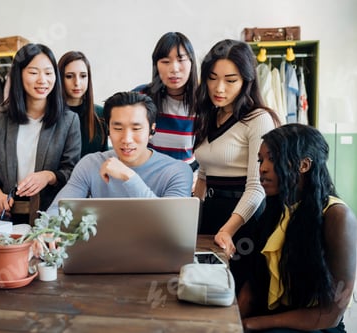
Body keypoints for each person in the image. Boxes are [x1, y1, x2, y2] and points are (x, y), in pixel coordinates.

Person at [238, 124, 356, 332]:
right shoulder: (275, 209)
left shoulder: (337, 216)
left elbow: (332, 313)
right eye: (261, 160)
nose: (263, 168)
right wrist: (230, 321)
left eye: (272, 159)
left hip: (317, 325)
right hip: (272, 320)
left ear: (304, 165)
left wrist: (253, 323)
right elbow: (253, 285)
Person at [193, 39, 280, 293]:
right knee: (203, 287)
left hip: (243, 219)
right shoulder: (211, 115)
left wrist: (228, 230)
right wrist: (189, 217)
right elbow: (203, 174)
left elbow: (257, 187)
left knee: (236, 291)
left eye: (230, 80)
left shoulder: (258, 118)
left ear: (246, 81)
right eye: (212, 78)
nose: (219, 88)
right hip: (210, 214)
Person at [0, 43, 81, 224]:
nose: (42, 80)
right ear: (19, 75)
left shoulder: (69, 120)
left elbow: (72, 170)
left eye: (48, 73)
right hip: (7, 213)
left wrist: (48, 176)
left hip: (50, 216)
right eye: (33, 73)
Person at [47, 91, 192, 216]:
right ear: (108, 129)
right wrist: (48, 231)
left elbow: (170, 225)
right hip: (100, 247)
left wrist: (128, 176)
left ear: (152, 130)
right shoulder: (90, 164)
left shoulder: (177, 171)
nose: (126, 139)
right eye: (118, 128)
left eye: (136, 129)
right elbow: (57, 211)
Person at [133, 31, 199, 173]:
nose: (174, 69)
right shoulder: (140, 97)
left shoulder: (203, 102)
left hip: (185, 179)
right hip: (146, 177)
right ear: (156, 65)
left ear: (191, 62)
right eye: (165, 61)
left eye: (181, 60)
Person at [58, 51, 108, 156]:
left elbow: (105, 157)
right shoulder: (50, 115)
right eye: (69, 76)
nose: (77, 82)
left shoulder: (100, 114)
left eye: (83, 76)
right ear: (59, 78)